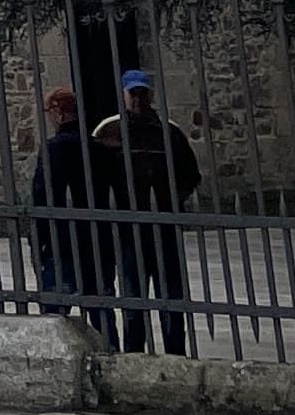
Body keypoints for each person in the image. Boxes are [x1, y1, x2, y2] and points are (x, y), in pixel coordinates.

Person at [94, 69, 204, 358]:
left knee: (171, 299)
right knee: (134, 300)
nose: (138, 99)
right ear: (125, 94)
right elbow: (97, 176)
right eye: (134, 93)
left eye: (143, 93)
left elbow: (190, 174)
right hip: (130, 232)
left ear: (150, 94)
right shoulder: (110, 131)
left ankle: (175, 355)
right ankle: (133, 355)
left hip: (164, 228)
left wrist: (171, 203)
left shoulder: (169, 132)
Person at [26, 86, 112, 340]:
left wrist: (37, 240)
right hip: (97, 239)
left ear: (59, 114)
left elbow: (41, 195)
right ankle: (111, 356)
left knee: (53, 316)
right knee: (101, 311)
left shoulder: (53, 150)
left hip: (61, 240)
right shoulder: (99, 149)